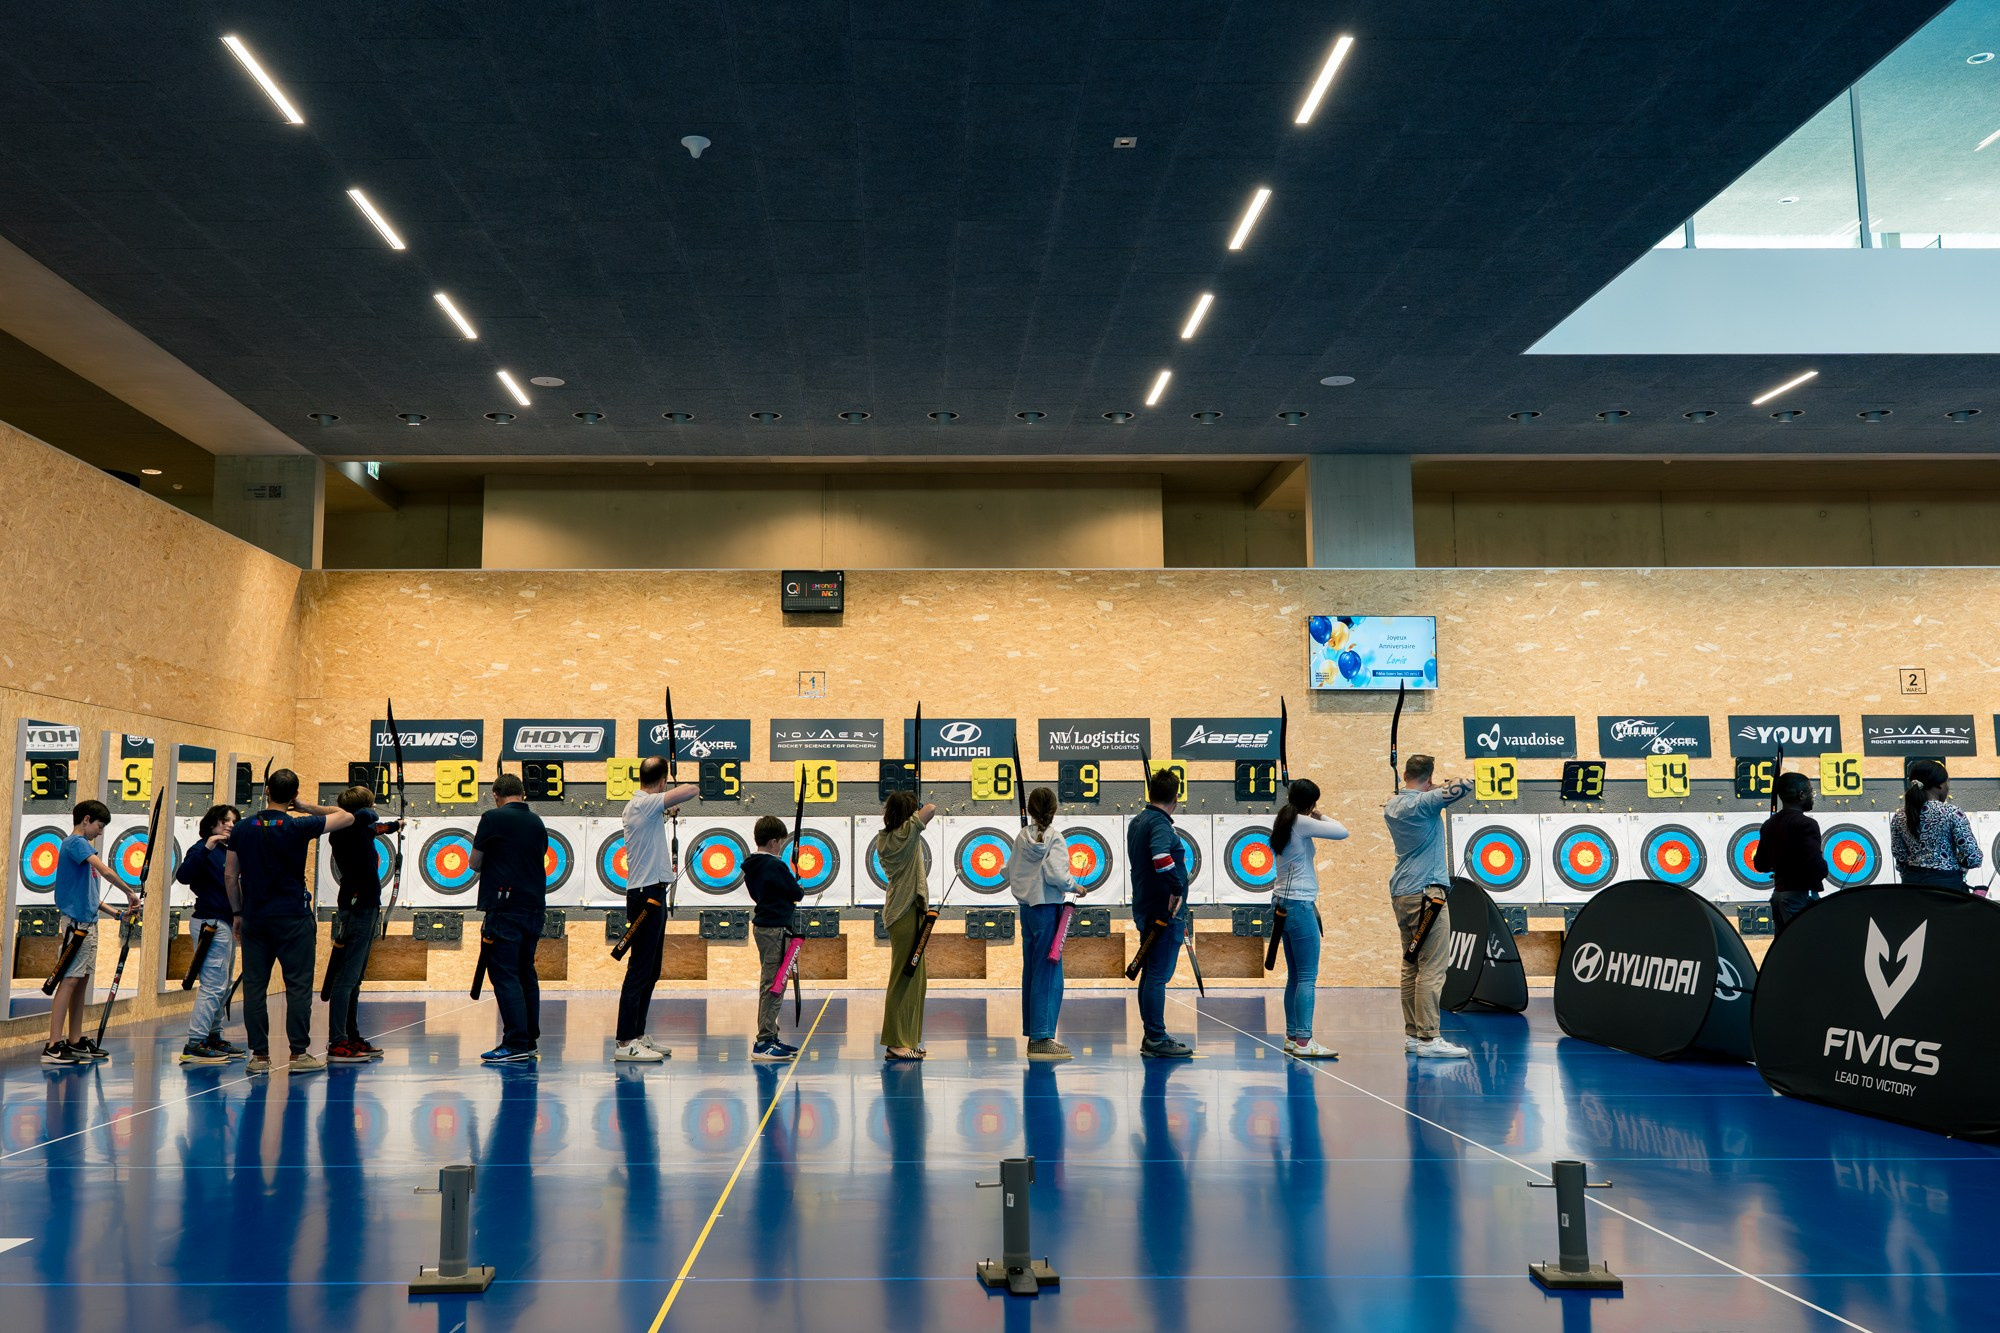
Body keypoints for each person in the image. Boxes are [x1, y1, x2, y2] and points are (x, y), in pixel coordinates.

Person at [226, 768, 353, 1074]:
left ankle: (259, 1057)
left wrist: (238, 912)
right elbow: (347, 816)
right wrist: (306, 806)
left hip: (255, 917)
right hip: (293, 918)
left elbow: (230, 875)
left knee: (255, 987)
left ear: (267, 790)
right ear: (293, 795)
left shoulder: (242, 828)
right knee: (297, 987)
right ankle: (298, 1055)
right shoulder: (299, 825)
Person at [1383, 755, 1471, 1059]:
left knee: (1411, 966)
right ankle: (1429, 1038)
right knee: (1432, 968)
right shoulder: (1425, 803)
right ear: (1429, 778)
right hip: (1427, 895)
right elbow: (1466, 784)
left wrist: (1430, 789)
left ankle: (1413, 1035)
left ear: (1404, 775)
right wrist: (1439, 787)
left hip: (1402, 894)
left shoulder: (1392, 805)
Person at [614, 756, 699, 1062]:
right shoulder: (642, 804)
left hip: (653, 893)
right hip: (645, 895)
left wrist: (665, 809)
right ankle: (625, 1042)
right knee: (639, 969)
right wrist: (670, 796)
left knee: (651, 970)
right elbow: (691, 790)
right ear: (662, 781)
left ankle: (638, 1035)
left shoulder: (646, 808)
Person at [43, 799, 139, 1066]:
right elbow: (106, 871)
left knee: (81, 981)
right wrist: (129, 892)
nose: (100, 831)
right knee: (69, 981)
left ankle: (74, 1040)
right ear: (86, 820)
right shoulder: (76, 843)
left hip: (88, 924)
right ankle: (52, 1046)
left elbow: (91, 897)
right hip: (77, 926)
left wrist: (118, 914)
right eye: (99, 825)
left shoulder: (83, 850)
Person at [471, 773, 549, 1064]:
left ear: (495, 795)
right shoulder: (537, 821)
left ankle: (515, 1043)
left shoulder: (492, 818)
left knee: (505, 974)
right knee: (526, 971)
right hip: (534, 907)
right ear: (523, 793)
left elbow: (474, 862)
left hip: (505, 908)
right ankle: (528, 1040)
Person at [1268, 778, 1349, 1059]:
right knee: (1306, 977)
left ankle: (1293, 1037)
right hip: (1299, 906)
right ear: (1311, 803)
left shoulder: (1284, 818)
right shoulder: (1302, 822)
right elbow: (1342, 831)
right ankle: (1304, 1041)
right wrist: (1319, 814)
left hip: (1282, 904)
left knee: (1295, 976)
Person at [322, 785, 403, 1064]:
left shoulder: (359, 828)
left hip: (365, 906)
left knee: (355, 978)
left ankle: (351, 1035)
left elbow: (376, 827)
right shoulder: (350, 827)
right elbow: (369, 819)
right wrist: (370, 811)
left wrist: (396, 825)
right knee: (346, 978)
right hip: (357, 906)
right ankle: (337, 1042)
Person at [1008, 786, 1086, 1062]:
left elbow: (1009, 871)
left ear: (1031, 810)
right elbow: (1056, 875)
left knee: (1032, 970)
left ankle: (1035, 1033)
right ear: (1054, 810)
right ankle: (1041, 1038)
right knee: (1048, 973)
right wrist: (1076, 887)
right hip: (1047, 910)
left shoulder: (1021, 837)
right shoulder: (1055, 838)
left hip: (1027, 910)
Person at [1126, 766, 1194, 1059]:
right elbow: (1161, 858)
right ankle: (1155, 1037)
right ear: (1175, 797)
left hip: (1147, 906)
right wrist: (1177, 889)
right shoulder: (1160, 824)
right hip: (1163, 912)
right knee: (1157, 975)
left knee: (1150, 973)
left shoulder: (1138, 820)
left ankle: (1151, 1035)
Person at [177, 804, 244, 1063]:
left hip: (225, 923)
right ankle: (195, 1042)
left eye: (234, 821)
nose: (230, 824)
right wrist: (208, 845)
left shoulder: (230, 852)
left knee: (223, 984)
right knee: (213, 985)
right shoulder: (201, 849)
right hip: (210, 923)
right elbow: (184, 876)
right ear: (212, 823)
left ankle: (213, 1036)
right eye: (224, 820)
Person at [878, 790, 937, 1061]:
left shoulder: (886, 837)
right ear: (908, 814)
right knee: (903, 978)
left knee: (916, 980)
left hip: (908, 911)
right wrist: (918, 808)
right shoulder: (905, 834)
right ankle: (896, 1043)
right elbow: (931, 809)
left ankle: (909, 1040)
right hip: (904, 912)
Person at [743, 814, 807, 1062]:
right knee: (774, 985)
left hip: (765, 927)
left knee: (773, 983)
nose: (781, 847)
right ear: (773, 842)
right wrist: (797, 885)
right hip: (775, 929)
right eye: (780, 842)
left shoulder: (752, 866)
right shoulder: (775, 866)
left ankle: (771, 1035)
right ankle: (764, 1042)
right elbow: (796, 893)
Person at [1890, 758, 1982, 891]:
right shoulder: (1952, 813)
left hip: (1911, 886)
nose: (1948, 788)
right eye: (1947, 782)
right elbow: (1973, 857)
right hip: (1946, 888)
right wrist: (1958, 862)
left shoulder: (1899, 816)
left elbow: (1900, 856)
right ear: (1940, 785)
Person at [1752, 772, 1827, 933]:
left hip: (1778, 897)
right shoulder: (1806, 824)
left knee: (1785, 944)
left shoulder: (1769, 824)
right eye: (1811, 792)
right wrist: (1823, 868)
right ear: (1801, 795)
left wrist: (1780, 863)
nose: (1812, 797)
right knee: (1804, 942)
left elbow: (1760, 864)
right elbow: (1815, 865)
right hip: (1799, 898)